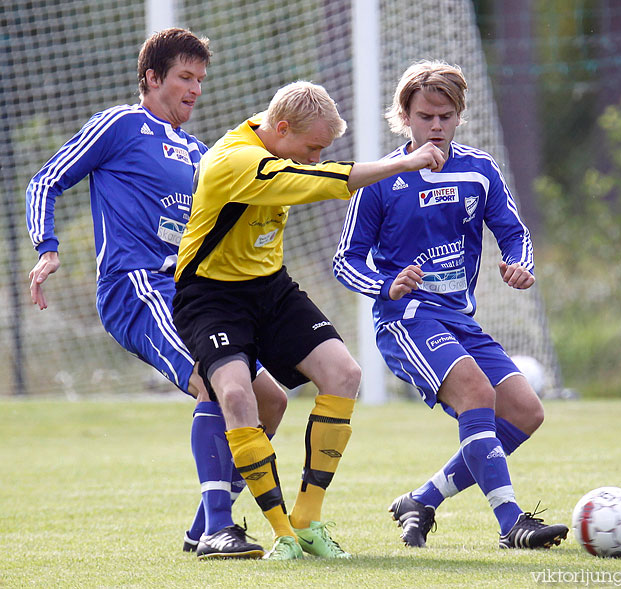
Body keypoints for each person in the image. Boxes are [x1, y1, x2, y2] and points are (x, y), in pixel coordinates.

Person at [25, 27, 288, 560]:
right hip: (136, 285)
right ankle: (219, 529)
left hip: (189, 293)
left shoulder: (199, 151)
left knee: (271, 401)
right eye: (184, 77)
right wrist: (47, 247)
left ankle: (202, 528)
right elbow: (45, 180)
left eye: (200, 79)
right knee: (214, 384)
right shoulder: (123, 124)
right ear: (151, 78)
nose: (194, 88)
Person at [171, 80, 445, 560]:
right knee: (235, 394)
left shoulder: (279, 140)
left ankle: (306, 519)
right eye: (312, 148)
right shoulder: (234, 161)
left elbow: (310, 170)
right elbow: (322, 183)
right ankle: (278, 535)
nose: (316, 158)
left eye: (322, 149)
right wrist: (402, 161)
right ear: (280, 129)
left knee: (344, 373)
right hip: (211, 296)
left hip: (269, 288)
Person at [333, 60, 569, 550]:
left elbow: (513, 231)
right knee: (478, 396)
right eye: (424, 116)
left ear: (459, 116)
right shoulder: (380, 180)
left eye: (445, 116)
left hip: (459, 320)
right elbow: (345, 261)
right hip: (406, 320)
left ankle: (421, 500)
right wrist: (387, 285)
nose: (435, 126)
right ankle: (511, 523)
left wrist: (518, 264)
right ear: (405, 117)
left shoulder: (480, 170)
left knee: (526, 413)